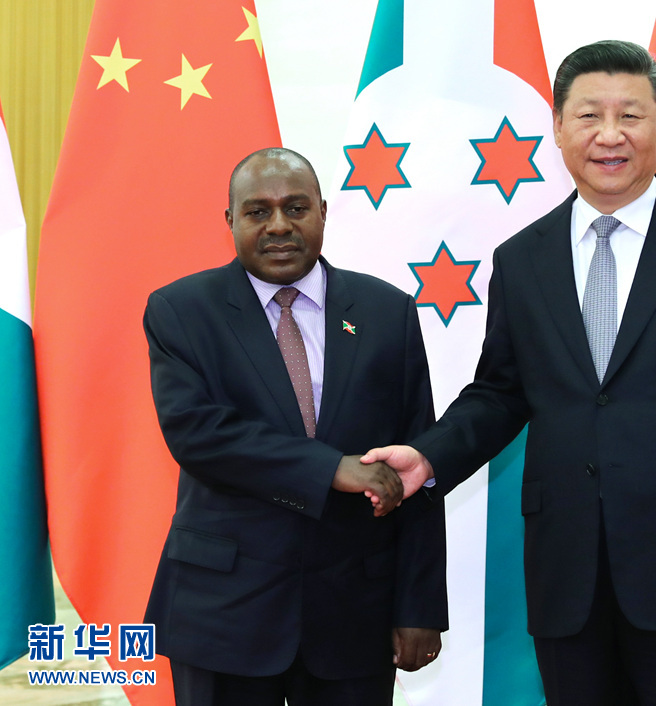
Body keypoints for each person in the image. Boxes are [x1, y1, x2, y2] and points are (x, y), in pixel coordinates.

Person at [363, 40, 656, 705]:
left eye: (630, 115)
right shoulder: (522, 258)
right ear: (557, 128)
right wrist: (427, 457)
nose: (610, 135)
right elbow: (500, 393)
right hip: (570, 575)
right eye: (588, 116)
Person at [143, 147, 448, 706]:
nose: (279, 225)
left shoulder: (387, 312)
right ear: (230, 220)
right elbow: (198, 434)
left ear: (323, 212)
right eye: (258, 211)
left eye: (296, 208)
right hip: (224, 615)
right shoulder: (181, 311)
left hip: (355, 614)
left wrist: (419, 606)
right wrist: (331, 469)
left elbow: (418, 465)